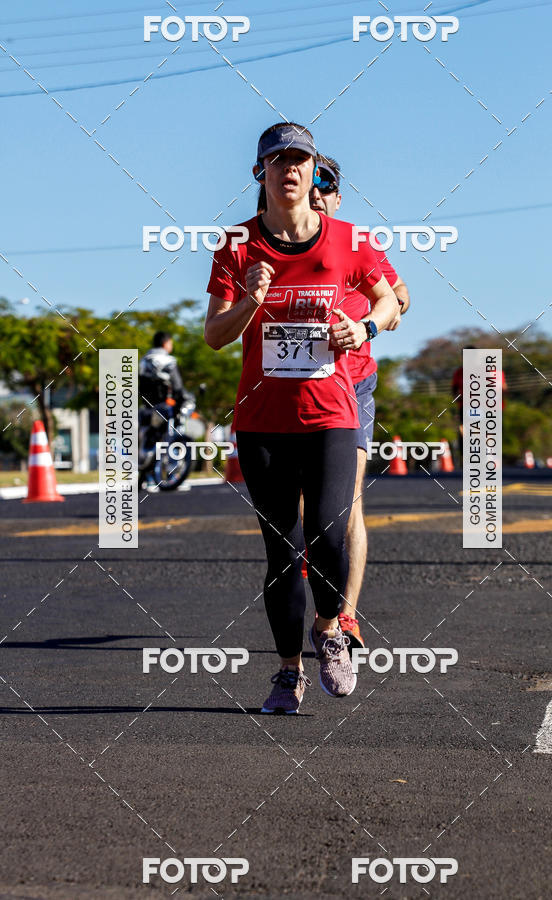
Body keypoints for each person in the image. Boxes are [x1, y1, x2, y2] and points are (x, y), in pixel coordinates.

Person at [204, 122, 398, 714]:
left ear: (314, 171)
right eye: (278, 161)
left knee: (332, 531)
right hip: (263, 419)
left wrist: (363, 326)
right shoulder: (236, 244)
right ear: (259, 173)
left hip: (332, 413)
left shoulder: (347, 239)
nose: (290, 170)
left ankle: (331, 628)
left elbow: (392, 299)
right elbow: (214, 335)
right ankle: (287, 673)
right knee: (282, 547)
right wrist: (249, 302)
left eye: (300, 160)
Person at [306, 154, 410, 649]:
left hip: (352, 386)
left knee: (348, 502)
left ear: (338, 198)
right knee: (306, 507)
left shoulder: (354, 241)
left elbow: (399, 295)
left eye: (325, 190)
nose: (315, 198)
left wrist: (381, 313)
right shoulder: (272, 241)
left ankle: (345, 617)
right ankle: (317, 592)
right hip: (294, 390)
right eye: (309, 187)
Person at [139, 331, 185, 489]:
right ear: (166, 343)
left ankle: (145, 478)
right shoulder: (168, 360)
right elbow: (177, 386)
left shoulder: (144, 359)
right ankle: (171, 475)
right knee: (169, 437)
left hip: (145, 407)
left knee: (146, 439)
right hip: (163, 406)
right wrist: (182, 399)